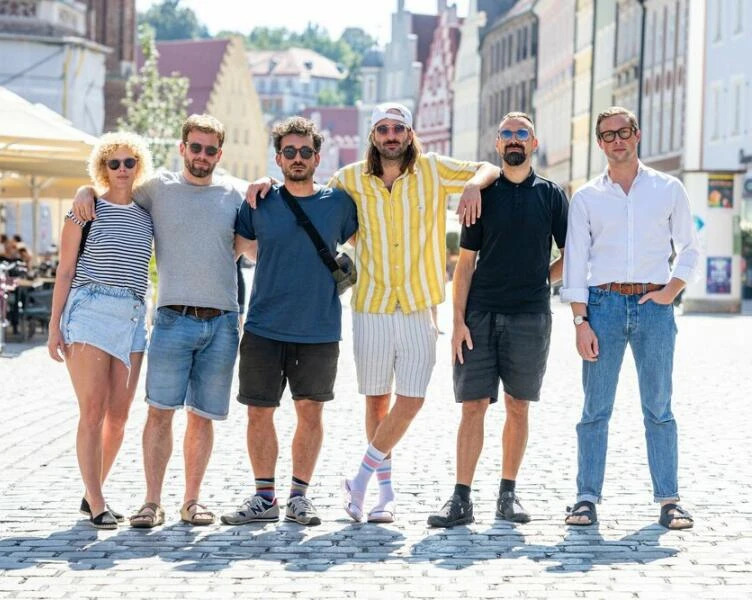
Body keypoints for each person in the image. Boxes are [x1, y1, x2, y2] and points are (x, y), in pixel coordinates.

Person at [247, 102, 500, 523]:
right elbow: (306, 192)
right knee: (377, 399)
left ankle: (360, 479)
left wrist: (473, 184)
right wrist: (264, 181)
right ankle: (384, 493)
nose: (391, 135)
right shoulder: (348, 180)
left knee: (413, 398)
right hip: (373, 305)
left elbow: (488, 167)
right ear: (373, 136)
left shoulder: (434, 170)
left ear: (410, 134)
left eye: (398, 128)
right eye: (383, 128)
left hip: (420, 303)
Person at [71, 114, 245, 528]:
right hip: (171, 319)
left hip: (222, 321)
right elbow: (114, 187)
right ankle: (151, 502)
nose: (202, 155)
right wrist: (84, 189)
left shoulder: (236, 195)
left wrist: (262, 187)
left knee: (202, 416)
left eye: (210, 149)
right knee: (159, 412)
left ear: (219, 154)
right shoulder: (157, 190)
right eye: (195, 147)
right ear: (182, 149)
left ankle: (192, 501)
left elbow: (254, 233)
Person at [426, 112, 568, 527]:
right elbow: (465, 265)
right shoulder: (481, 197)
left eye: (521, 133)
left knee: (518, 406)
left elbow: (572, 253)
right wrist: (458, 321)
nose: (513, 140)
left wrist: (543, 277)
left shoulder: (552, 195)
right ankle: (461, 498)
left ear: (534, 143)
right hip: (481, 315)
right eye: (505, 133)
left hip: (530, 316)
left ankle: (508, 494)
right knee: (472, 406)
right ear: (497, 145)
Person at [561, 106, 698, 530]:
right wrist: (580, 321)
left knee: (659, 407)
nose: (616, 140)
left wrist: (671, 291)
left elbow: (689, 247)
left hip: (653, 308)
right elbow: (575, 263)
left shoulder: (668, 188)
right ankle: (586, 498)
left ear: (637, 135)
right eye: (607, 135)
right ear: (599, 143)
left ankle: (669, 500)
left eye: (624, 132)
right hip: (601, 307)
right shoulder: (586, 197)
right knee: (594, 409)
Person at [221, 117, 357, 527]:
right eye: (289, 152)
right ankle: (265, 497)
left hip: (319, 328)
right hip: (264, 326)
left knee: (310, 412)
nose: (297, 159)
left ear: (317, 157)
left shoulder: (339, 204)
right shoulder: (259, 202)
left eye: (305, 152)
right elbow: (234, 250)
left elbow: (374, 244)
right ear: (278, 158)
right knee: (259, 412)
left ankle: (299, 496)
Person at [47, 132, 154, 529]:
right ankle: (96, 499)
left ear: (138, 166)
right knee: (91, 411)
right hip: (89, 311)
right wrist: (54, 327)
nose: (122, 170)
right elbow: (65, 270)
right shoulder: (85, 210)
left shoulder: (147, 215)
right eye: (114, 163)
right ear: (102, 167)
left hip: (131, 315)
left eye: (129, 163)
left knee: (120, 416)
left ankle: (92, 490)